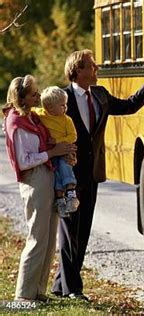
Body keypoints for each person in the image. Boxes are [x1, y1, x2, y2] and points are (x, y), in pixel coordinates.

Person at [52, 49, 144, 300]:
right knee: (69, 231)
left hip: (92, 175)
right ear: (78, 70)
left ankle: (61, 286)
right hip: (67, 175)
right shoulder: (62, 98)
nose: (97, 69)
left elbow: (129, 106)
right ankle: (73, 290)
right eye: (92, 66)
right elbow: (46, 128)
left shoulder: (100, 95)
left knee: (83, 231)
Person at [3, 75, 76, 302]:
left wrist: (64, 152)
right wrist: (53, 153)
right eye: (34, 93)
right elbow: (24, 161)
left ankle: (38, 291)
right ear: (22, 97)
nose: (38, 95)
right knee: (37, 236)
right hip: (34, 179)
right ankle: (24, 296)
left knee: (49, 237)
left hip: (48, 174)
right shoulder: (17, 122)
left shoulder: (33, 117)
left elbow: (50, 141)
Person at [34, 86, 79, 217]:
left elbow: (73, 136)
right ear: (49, 107)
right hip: (51, 153)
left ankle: (71, 194)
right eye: (62, 105)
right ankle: (60, 201)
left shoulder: (67, 120)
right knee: (56, 176)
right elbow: (24, 111)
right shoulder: (40, 114)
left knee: (65, 168)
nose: (65, 107)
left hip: (64, 151)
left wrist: (58, 140)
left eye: (66, 104)